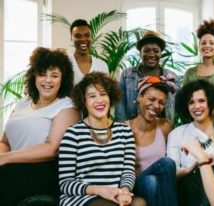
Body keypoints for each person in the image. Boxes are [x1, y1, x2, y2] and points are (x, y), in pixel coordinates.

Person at [0, 47, 80, 206]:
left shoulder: (67, 106)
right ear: (34, 76)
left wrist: (6, 158)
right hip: (13, 168)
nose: (48, 80)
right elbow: (5, 142)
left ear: (62, 79)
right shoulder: (22, 103)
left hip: (45, 171)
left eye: (54, 75)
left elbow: (53, 148)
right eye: (42, 74)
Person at [59, 72, 146, 206]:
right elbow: (65, 183)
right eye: (92, 96)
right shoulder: (73, 134)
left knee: (139, 203)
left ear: (110, 97)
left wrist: (124, 191)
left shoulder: (124, 131)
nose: (99, 100)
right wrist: (99, 190)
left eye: (103, 94)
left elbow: (128, 171)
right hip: (82, 197)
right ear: (84, 101)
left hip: (116, 194)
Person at [167, 79, 214, 206]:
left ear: (210, 102)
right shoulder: (177, 134)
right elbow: (171, 174)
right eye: (191, 102)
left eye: (202, 101)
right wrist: (191, 168)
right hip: (191, 192)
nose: (196, 106)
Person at [128, 76, 178, 206]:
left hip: (161, 183)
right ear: (139, 98)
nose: (156, 106)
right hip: (136, 183)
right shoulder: (124, 128)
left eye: (162, 102)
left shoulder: (165, 126)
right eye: (151, 99)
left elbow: (173, 159)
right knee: (151, 180)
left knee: (155, 178)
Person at [115, 30, 180, 122]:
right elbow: (120, 106)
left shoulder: (171, 77)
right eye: (146, 50)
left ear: (161, 53)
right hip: (133, 130)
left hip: (162, 131)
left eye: (156, 51)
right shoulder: (127, 75)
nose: (151, 54)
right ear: (140, 52)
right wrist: (123, 130)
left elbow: (180, 105)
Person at [182, 19, 214, 95]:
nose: (207, 46)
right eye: (203, 43)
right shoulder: (190, 73)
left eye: (211, 43)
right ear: (199, 46)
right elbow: (183, 98)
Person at [70, 19, 108, 84]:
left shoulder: (102, 65)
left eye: (87, 35)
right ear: (71, 38)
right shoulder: (65, 63)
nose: (83, 39)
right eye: (78, 36)